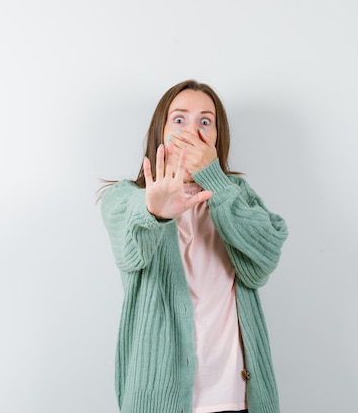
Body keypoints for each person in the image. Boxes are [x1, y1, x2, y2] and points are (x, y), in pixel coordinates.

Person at [99, 79, 288, 413]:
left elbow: (263, 261)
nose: (193, 131)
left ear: (216, 137)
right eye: (179, 119)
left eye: (205, 122)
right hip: (158, 400)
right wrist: (155, 212)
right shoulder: (126, 198)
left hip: (239, 397)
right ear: (161, 130)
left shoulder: (236, 195)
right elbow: (132, 250)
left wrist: (215, 180)